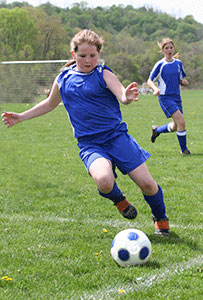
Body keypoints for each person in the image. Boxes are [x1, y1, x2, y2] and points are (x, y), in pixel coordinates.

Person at [2, 29, 170, 236]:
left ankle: (160, 217)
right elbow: (49, 104)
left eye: (92, 55)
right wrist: (21, 117)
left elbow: (121, 96)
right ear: (73, 55)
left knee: (147, 184)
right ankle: (120, 201)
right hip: (90, 144)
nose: (88, 60)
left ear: (98, 55)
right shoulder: (63, 78)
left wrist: (126, 96)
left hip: (117, 138)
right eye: (82, 56)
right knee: (104, 181)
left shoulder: (103, 74)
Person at [147, 37, 190, 155]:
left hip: (177, 97)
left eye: (171, 47)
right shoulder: (160, 64)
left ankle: (157, 131)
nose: (169, 50)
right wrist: (155, 89)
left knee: (176, 126)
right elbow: (149, 81)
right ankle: (184, 150)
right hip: (165, 98)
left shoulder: (178, 63)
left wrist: (183, 82)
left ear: (173, 48)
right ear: (163, 50)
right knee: (181, 122)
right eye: (167, 48)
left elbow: (181, 78)